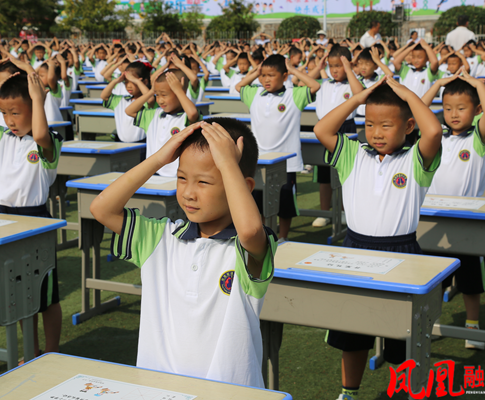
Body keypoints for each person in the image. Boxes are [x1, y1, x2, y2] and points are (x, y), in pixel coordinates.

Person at [89, 117, 276, 388]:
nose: (189, 193)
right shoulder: (160, 238)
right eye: (181, 178)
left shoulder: (246, 247)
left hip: (228, 392)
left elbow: (248, 231)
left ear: (242, 185)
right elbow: (102, 209)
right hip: (157, 391)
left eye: (203, 182)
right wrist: (158, 159)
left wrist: (227, 164)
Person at [315, 77, 442, 400]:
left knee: (403, 335)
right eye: (370, 124)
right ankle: (349, 392)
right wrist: (358, 99)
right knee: (352, 332)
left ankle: (403, 391)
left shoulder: (414, 160)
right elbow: (323, 130)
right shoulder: (352, 154)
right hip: (355, 250)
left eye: (386, 125)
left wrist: (406, 93)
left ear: (408, 125)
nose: (376, 132)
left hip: (403, 253)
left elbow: (434, 132)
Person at [0, 72, 64, 360]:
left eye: (16, 113)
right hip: (4, 219)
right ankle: (31, 350)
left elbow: (40, 134)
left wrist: (38, 99)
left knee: (46, 294)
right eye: (4, 113)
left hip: (36, 221)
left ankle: (53, 351)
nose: (9, 120)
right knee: (17, 293)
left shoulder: (49, 141)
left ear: (34, 107)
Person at [421, 71, 485, 351]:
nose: (453, 114)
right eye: (448, 108)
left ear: (474, 110)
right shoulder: (436, 136)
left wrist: (477, 84)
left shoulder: (478, 138)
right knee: (433, 277)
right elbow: (418, 110)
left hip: (468, 221)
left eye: (461, 108)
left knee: (470, 281)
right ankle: (428, 325)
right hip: (435, 219)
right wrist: (438, 84)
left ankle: (473, 327)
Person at [236, 54, 320, 242]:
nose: (266, 79)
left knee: (284, 205)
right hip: (259, 161)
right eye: (263, 75)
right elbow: (239, 86)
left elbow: (315, 86)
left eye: (271, 75)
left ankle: (282, 237)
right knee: (258, 203)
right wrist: (255, 72)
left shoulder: (294, 95)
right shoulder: (255, 94)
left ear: (284, 76)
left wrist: (293, 70)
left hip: (286, 163)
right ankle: (265, 234)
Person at [311, 45, 364, 228]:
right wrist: (318, 67)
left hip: (346, 130)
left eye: (339, 65)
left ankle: (343, 211)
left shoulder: (352, 84)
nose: (334, 70)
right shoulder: (324, 84)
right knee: (324, 176)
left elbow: (361, 95)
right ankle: (325, 212)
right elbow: (299, 81)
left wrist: (349, 69)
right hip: (324, 130)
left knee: (345, 175)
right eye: (331, 66)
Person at [125, 69, 200, 177]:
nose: (160, 100)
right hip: (153, 173)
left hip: (177, 175)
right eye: (157, 95)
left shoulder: (185, 116)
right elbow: (129, 111)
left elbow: (193, 114)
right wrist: (151, 91)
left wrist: (179, 90)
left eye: (164, 95)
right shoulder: (153, 115)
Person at [101, 61, 155, 143]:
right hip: (121, 143)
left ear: (144, 82)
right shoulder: (121, 100)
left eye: (132, 82)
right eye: (126, 82)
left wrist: (137, 81)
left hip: (141, 143)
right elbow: (104, 96)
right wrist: (116, 81)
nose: (128, 85)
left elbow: (150, 99)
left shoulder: (145, 101)